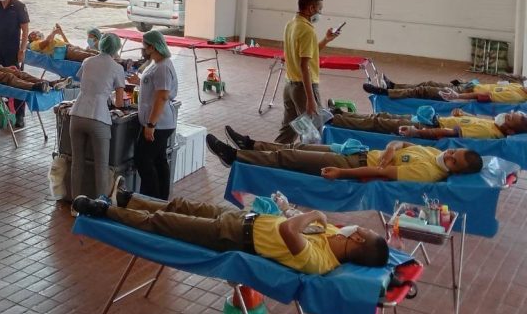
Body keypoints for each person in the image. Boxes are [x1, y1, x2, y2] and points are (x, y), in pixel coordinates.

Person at [71, 188, 388, 275]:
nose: (355, 226)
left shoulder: (320, 261)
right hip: (244, 218)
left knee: (164, 223)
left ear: (357, 239)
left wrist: (314, 213)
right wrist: (286, 207)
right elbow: (291, 218)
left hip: (232, 237)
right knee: (184, 205)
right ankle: (130, 199)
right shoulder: (332, 234)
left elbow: (291, 231)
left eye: (360, 228)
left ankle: (105, 211)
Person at [206, 133, 483, 181]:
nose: (449, 154)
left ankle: (236, 156)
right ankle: (252, 144)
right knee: (299, 148)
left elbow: (380, 173)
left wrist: (341, 173)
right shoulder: (435, 154)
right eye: (453, 151)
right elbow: (401, 143)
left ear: (455, 170)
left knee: (289, 159)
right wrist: (391, 147)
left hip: (354, 163)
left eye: (453, 159)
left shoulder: (428, 172)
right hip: (357, 151)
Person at [277, 0, 341, 143]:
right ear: (311, 8)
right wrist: (311, 99)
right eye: (320, 9)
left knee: (287, 132)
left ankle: (268, 154)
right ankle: (308, 158)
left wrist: (326, 39)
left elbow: (308, 54)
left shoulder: (291, 25)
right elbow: (304, 65)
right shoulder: (307, 30)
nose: (320, 13)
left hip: (290, 86)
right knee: (313, 133)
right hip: (303, 89)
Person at [68, 33, 126, 199]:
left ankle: (75, 203)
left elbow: (85, 82)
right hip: (98, 117)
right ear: (117, 48)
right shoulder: (117, 68)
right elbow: (119, 102)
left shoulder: (87, 61)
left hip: (77, 114)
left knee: (77, 163)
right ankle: (100, 204)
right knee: (101, 166)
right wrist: (109, 96)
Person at [129, 30, 178, 199]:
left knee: (143, 160)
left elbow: (162, 96)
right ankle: (160, 199)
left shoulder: (163, 67)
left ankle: (151, 198)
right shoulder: (157, 63)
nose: (142, 49)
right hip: (159, 123)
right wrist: (140, 81)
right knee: (158, 160)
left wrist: (151, 124)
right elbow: (154, 86)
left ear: (152, 47)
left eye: (144, 46)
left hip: (159, 124)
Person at [324, 109, 527, 139]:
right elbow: (482, 121)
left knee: (379, 123)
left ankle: (334, 119)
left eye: (510, 118)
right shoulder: (494, 125)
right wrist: (464, 113)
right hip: (431, 120)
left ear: (509, 130)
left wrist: (417, 131)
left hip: (428, 127)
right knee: (384, 115)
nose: (507, 114)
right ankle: (342, 115)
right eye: (511, 112)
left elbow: (450, 133)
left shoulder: (487, 133)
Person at [365, 76, 527, 103]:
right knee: (428, 82)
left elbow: (483, 96)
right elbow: (489, 86)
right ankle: (394, 86)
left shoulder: (516, 96)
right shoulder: (518, 87)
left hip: (462, 93)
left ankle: (386, 92)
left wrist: (457, 96)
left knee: (423, 91)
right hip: (466, 86)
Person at [0, 59, 71, 92]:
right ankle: (35, 86)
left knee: (19, 73)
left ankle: (51, 83)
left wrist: (2, 67)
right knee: (8, 77)